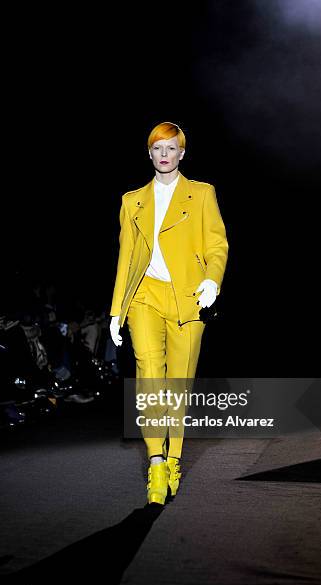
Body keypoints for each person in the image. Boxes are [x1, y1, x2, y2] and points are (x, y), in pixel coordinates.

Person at [109, 121, 229, 505]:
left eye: (171, 148)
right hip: (144, 295)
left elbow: (217, 243)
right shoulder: (132, 200)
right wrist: (116, 311)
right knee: (148, 373)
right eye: (158, 148)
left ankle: (174, 458)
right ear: (149, 154)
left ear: (182, 153)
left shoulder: (202, 194)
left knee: (178, 382)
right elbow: (126, 259)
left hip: (188, 297)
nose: (164, 155)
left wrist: (212, 279)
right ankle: (156, 463)